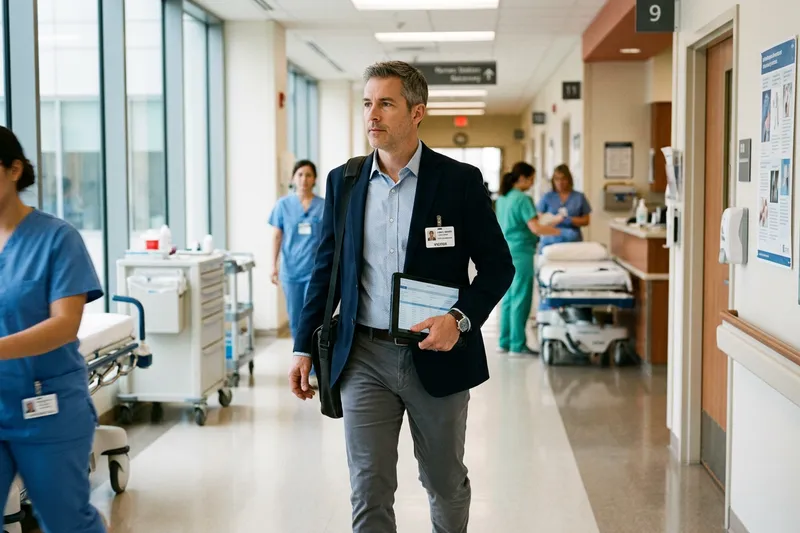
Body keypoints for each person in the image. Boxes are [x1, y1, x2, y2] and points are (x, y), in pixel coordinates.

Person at [288, 61, 514, 533]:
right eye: (368, 103)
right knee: (368, 487)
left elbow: (498, 268)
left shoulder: (459, 182)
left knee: (444, 481)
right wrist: (303, 345)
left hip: (436, 351)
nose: (373, 114)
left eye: (386, 103)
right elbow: (323, 269)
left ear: (417, 112)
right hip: (364, 355)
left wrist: (460, 317)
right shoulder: (344, 182)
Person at [0, 126, 106, 532]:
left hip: (47, 408)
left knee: (64, 521)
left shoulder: (57, 238)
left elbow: (64, 325)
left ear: (13, 170)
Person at [495, 162, 561, 357]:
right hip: (521, 252)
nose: (532, 183)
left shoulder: (503, 198)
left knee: (507, 298)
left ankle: (504, 342)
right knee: (521, 297)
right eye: (531, 179)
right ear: (522, 178)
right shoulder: (523, 199)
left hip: (505, 250)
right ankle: (518, 345)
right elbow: (535, 228)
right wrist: (557, 231)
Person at [269, 160, 324, 387]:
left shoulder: (324, 205)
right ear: (293, 178)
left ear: (315, 179)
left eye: (309, 175)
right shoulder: (283, 205)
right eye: (300, 174)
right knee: (296, 317)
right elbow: (276, 236)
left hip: (317, 272)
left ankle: (315, 364)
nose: (304, 179)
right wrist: (273, 265)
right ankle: (299, 359)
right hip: (291, 271)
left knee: (314, 317)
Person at [536, 164, 592, 250]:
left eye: (563, 179)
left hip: (572, 240)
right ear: (553, 181)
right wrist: (553, 220)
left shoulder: (579, 197)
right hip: (550, 241)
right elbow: (539, 220)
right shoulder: (547, 197)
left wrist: (568, 220)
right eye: (557, 179)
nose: (560, 182)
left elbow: (586, 221)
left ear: (569, 180)